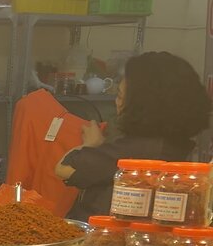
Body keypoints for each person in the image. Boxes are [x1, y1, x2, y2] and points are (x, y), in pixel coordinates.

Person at [56, 51, 212, 221]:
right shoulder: (177, 144)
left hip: (101, 241)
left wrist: (91, 143)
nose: (117, 102)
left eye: (121, 96)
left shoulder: (139, 150)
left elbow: (64, 167)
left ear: (139, 104)